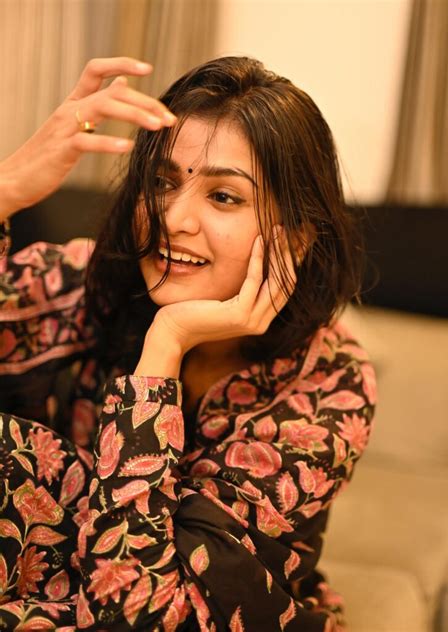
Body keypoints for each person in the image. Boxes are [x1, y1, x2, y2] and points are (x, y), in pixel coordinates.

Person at [0, 56, 376, 631]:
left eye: (224, 197)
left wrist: (165, 345)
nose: (174, 218)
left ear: (296, 240)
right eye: (162, 183)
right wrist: (5, 191)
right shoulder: (98, 280)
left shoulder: (330, 382)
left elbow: (137, 612)